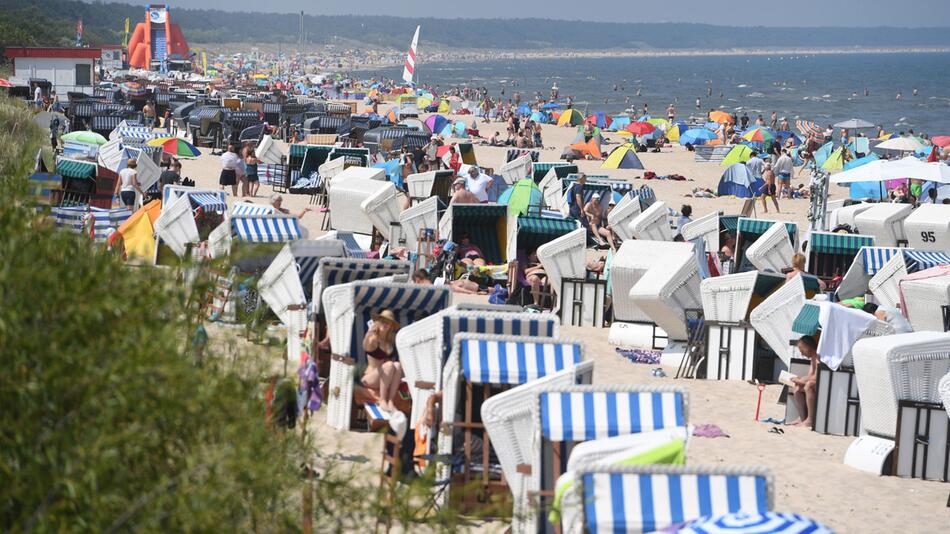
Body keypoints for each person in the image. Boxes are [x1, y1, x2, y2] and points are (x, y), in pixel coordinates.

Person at [361, 310, 403, 412]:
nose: (385, 324)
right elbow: (365, 345)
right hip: (370, 377)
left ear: (391, 326)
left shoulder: (390, 342)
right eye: (383, 321)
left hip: (384, 375)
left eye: (388, 323)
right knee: (389, 365)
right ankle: (382, 400)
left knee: (397, 365)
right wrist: (370, 331)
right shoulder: (373, 339)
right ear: (378, 322)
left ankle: (390, 401)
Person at [789, 335, 819, 427]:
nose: (801, 354)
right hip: (816, 382)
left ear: (808, 346)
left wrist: (801, 381)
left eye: (802, 350)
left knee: (808, 386)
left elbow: (818, 376)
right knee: (797, 388)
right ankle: (802, 418)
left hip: (823, 383)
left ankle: (810, 419)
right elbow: (810, 375)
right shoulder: (813, 358)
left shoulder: (818, 357)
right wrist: (799, 380)